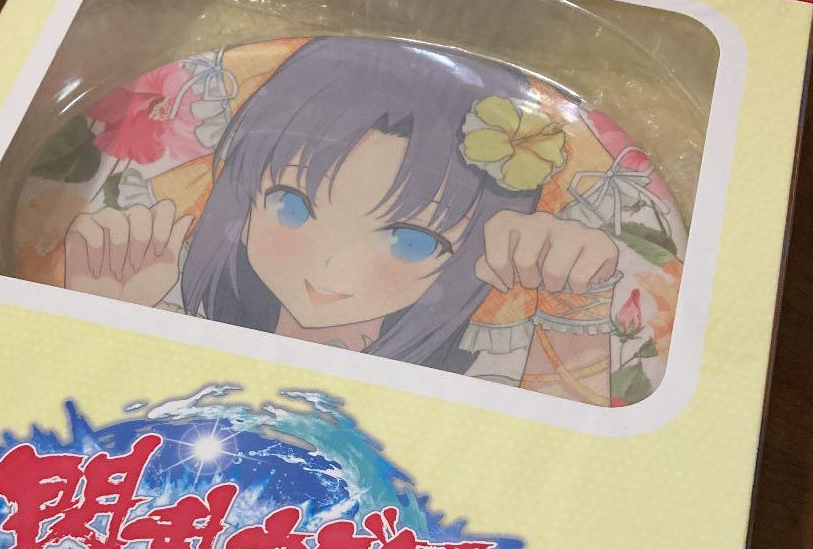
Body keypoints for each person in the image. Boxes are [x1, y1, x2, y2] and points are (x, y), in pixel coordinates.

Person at [64, 37, 622, 405]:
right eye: (291, 206)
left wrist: (576, 303)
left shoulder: (482, 367)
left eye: (409, 241)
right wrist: (99, 317)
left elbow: (567, 466)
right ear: (244, 193)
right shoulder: (172, 299)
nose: (330, 271)